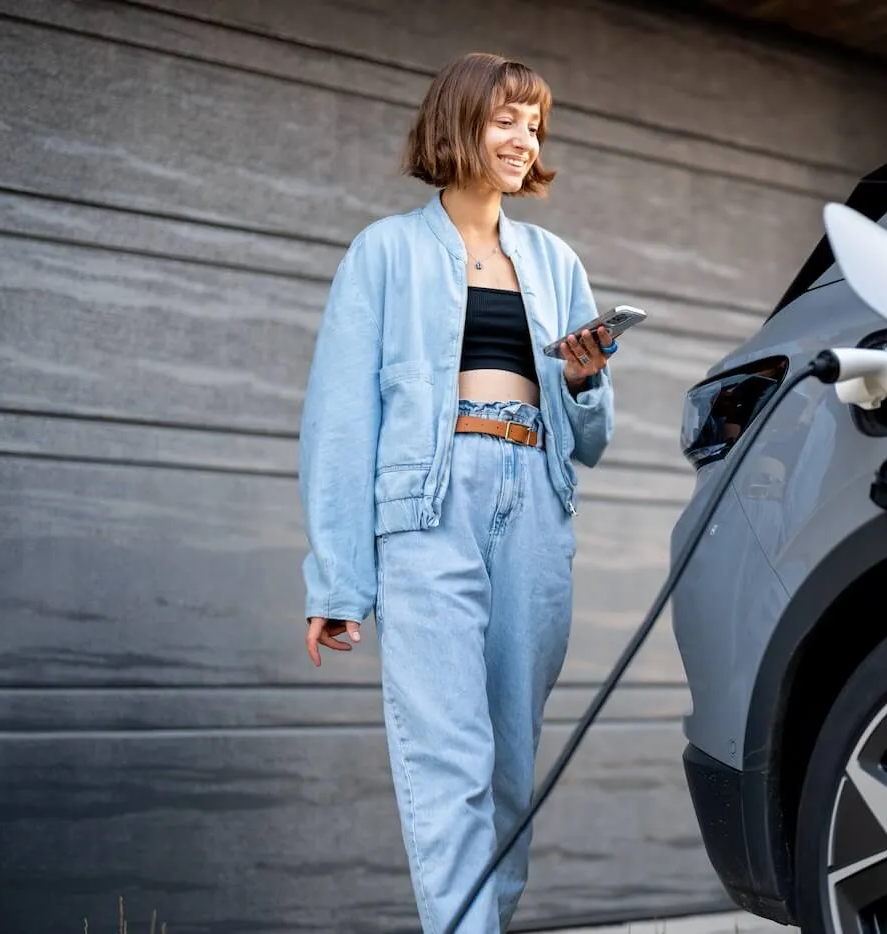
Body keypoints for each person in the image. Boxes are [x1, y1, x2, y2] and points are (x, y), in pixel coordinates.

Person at [296, 51, 617, 933]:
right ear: (458, 123)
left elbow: (591, 439)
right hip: (429, 512)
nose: (526, 138)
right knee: (450, 755)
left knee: (512, 761)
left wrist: (586, 381)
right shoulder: (385, 252)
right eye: (507, 118)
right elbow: (338, 424)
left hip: (535, 508)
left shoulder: (556, 262)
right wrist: (338, 581)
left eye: (536, 122)